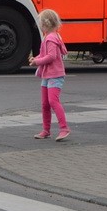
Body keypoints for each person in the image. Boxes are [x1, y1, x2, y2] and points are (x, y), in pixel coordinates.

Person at [28, 9, 70, 142]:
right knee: (45, 104)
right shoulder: (51, 36)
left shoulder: (50, 38)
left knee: (52, 101)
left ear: (45, 24)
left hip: (54, 75)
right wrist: (36, 58)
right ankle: (46, 130)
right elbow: (45, 54)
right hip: (48, 75)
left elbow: (51, 56)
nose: (39, 26)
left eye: (40, 24)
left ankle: (64, 128)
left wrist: (37, 62)